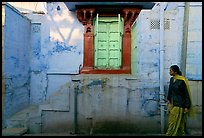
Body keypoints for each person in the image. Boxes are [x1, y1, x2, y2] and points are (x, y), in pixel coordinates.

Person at [166, 65, 195, 136]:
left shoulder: (182, 81)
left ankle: (170, 134)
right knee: (175, 122)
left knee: (174, 123)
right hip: (173, 104)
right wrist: (169, 99)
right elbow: (170, 90)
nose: (169, 72)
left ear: (175, 72)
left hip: (180, 105)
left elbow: (186, 94)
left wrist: (187, 107)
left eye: (171, 71)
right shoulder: (171, 79)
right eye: (169, 70)